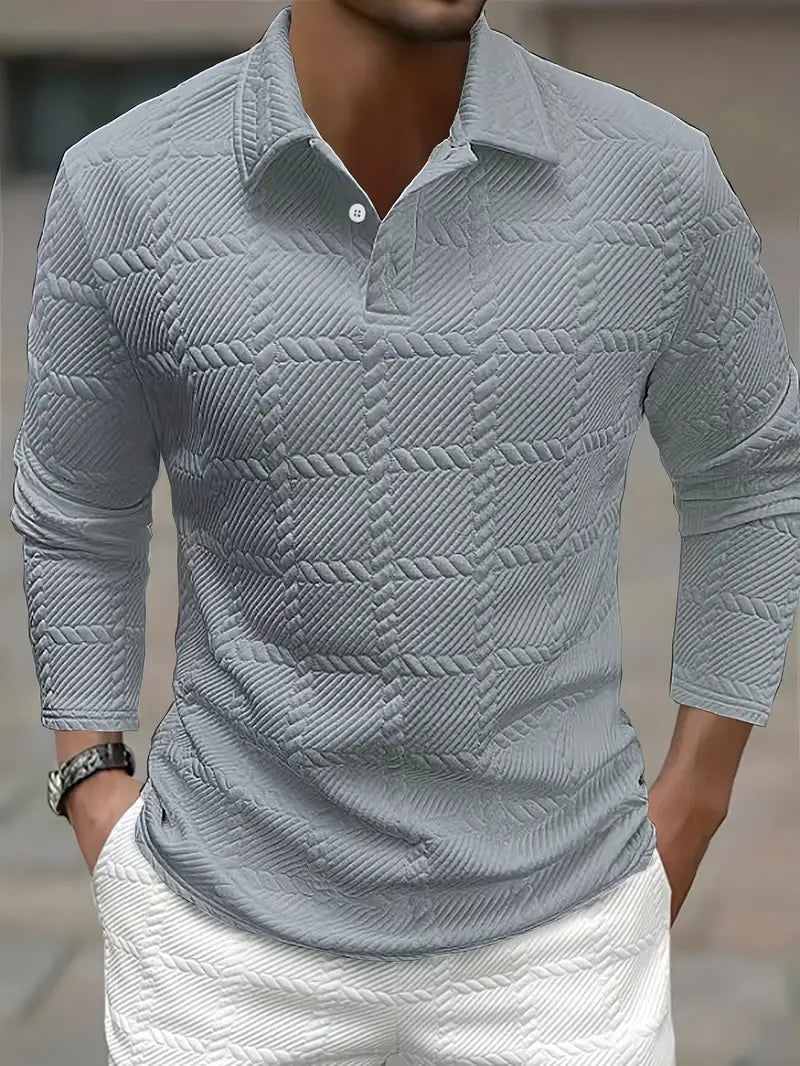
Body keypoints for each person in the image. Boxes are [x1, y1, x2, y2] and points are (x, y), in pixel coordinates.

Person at [9, 1, 800, 1063]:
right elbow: (78, 510)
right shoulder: (122, 186)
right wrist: (93, 781)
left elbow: (750, 471)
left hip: (563, 956)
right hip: (218, 961)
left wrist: (694, 801)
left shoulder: (653, 178)